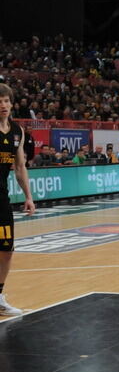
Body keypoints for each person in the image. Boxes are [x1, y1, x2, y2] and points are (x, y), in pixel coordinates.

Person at [0, 83, 37, 317]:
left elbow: (20, 167)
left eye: (5, 101)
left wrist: (29, 196)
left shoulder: (17, 131)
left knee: (6, 250)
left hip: (1, 198)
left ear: (11, 103)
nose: (2, 105)